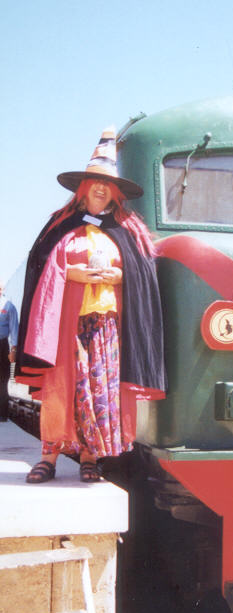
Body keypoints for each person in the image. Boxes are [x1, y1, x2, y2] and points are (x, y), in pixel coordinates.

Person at [15, 127, 166, 483]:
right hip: (66, 321)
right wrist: (72, 272)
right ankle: (49, 456)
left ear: (115, 191)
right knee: (60, 387)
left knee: (98, 389)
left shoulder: (128, 228)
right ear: (83, 187)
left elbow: (143, 274)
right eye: (94, 182)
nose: (100, 188)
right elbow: (41, 265)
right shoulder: (60, 223)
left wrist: (119, 276)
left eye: (107, 184)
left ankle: (89, 455)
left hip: (106, 325)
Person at [0, 283, 19, 421]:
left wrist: (13, 350)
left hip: (2, 345)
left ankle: (2, 414)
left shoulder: (8, 306)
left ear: (3, 289)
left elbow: (14, 329)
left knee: (2, 380)